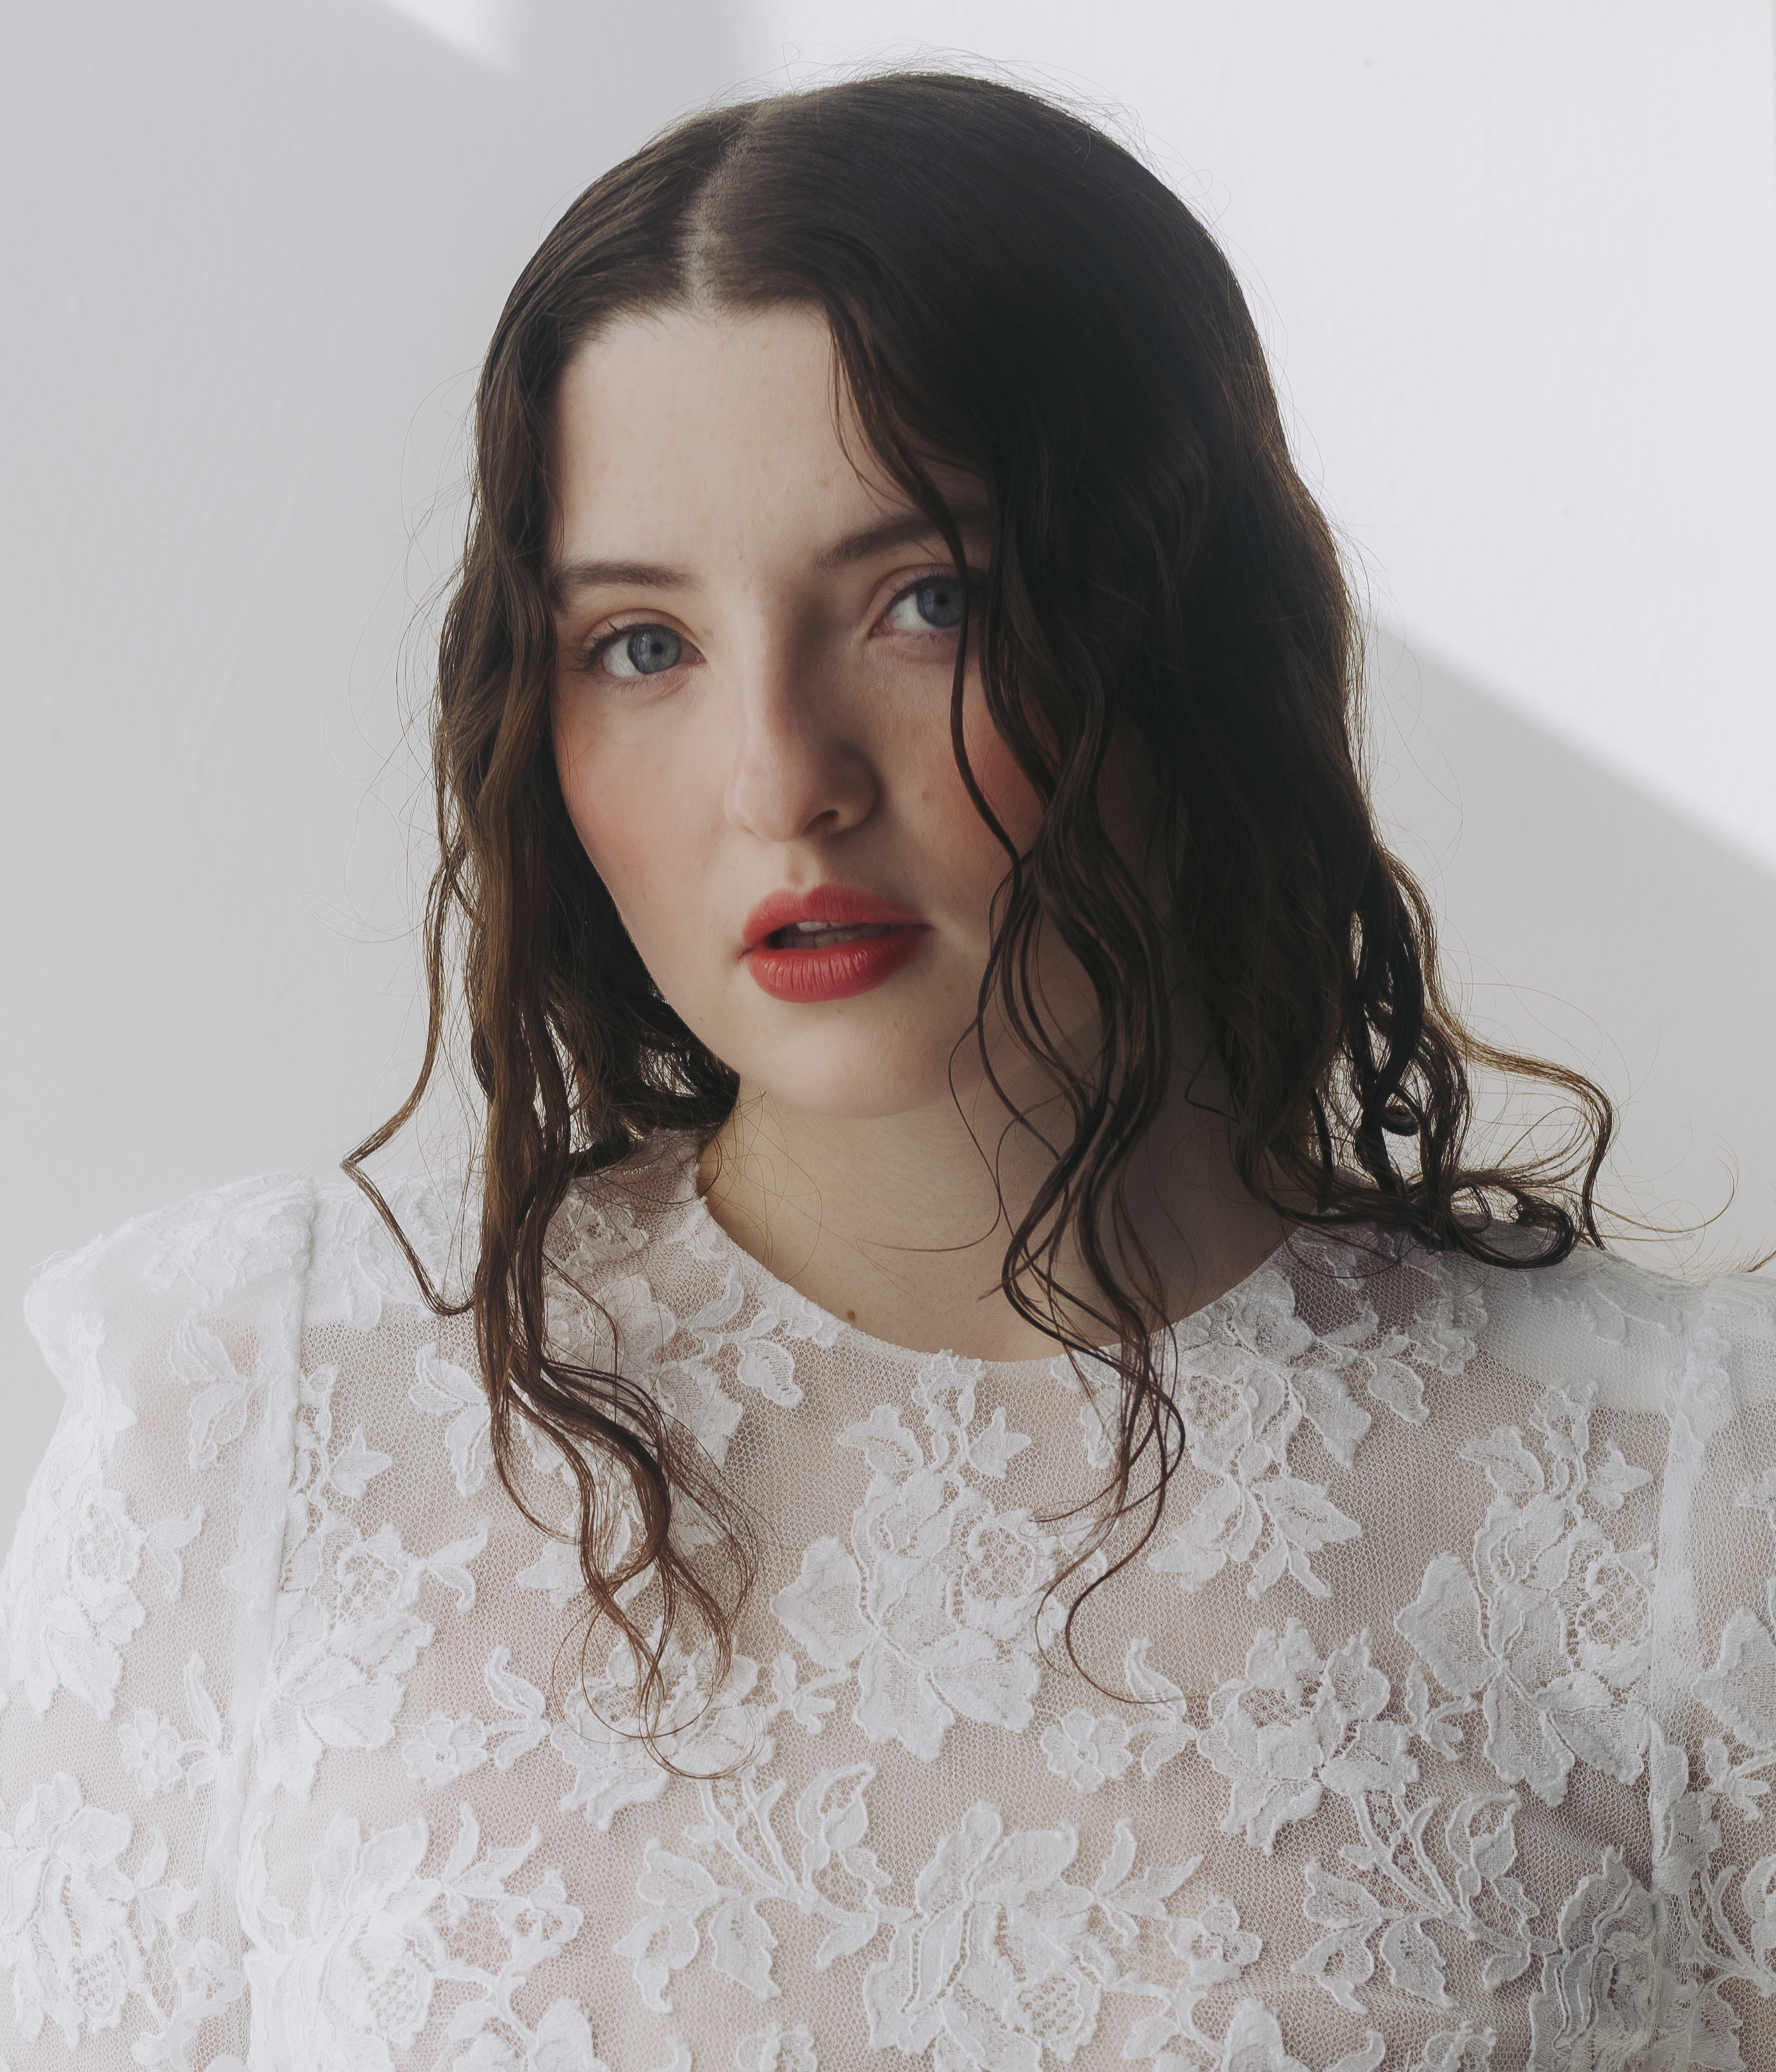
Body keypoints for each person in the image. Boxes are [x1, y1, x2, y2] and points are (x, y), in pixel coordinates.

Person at [1, 69, 1772, 2072]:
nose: (780, 777)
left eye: (923, 603)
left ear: (1186, 629)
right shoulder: (256, 1424)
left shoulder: (1685, 1507)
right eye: (642, 646)